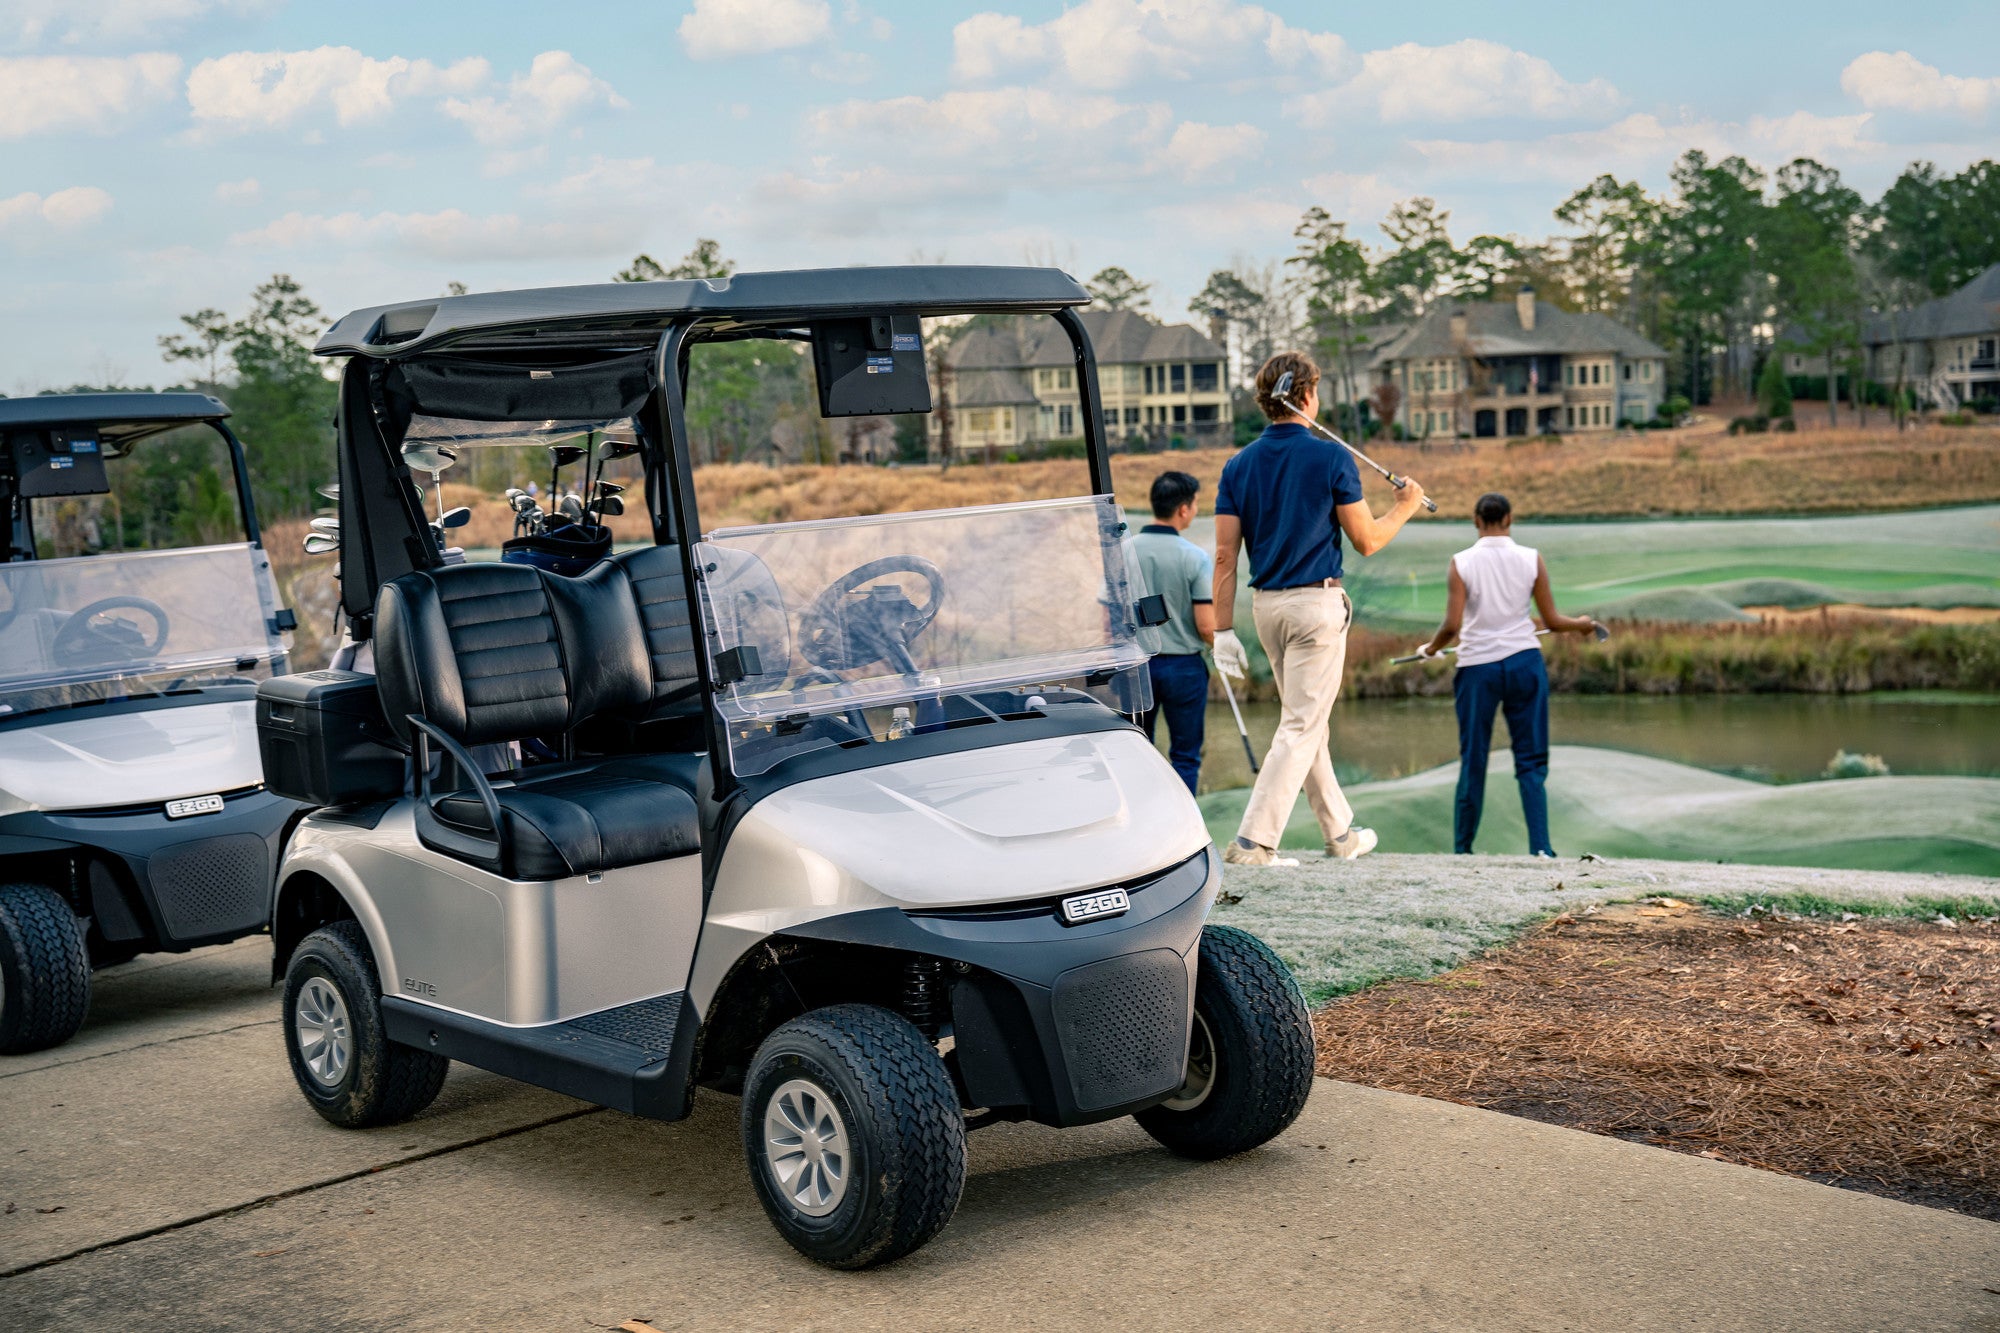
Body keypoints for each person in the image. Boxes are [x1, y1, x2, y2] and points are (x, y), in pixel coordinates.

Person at [1213, 352, 1427, 867]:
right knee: (1302, 726)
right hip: (1316, 608)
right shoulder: (1332, 458)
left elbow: (1224, 554)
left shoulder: (1237, 465)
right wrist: (1407, 505)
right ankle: (1253, 843)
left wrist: (1223, 629)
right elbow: (1368, 540)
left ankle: (1340, 834)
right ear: (1306, 396)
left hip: (1266, 611)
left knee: (1308, 724)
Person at [1415, 492, 1599, 857]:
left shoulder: (1461, 562)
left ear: (1476, 520)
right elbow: (1552, 622)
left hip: (1478, 668)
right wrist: (1582, 625)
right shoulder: (1531, 558)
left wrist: (1431, 649)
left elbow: (1452, 625)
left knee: (1475, 758)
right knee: (1530, 760)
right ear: (1510, 519)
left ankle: (1462, 850)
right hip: (1524, 663)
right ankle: (1542, 850)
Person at [1127, 471, 1214, 796]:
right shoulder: (1194, 557)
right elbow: (1206, 626)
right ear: (1183, 509)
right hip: (1184, 670)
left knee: (1136, 752)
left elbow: (1108, 617)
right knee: (1185, 756)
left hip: (1136, 667)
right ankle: (1184, 832)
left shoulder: (1123, 551)